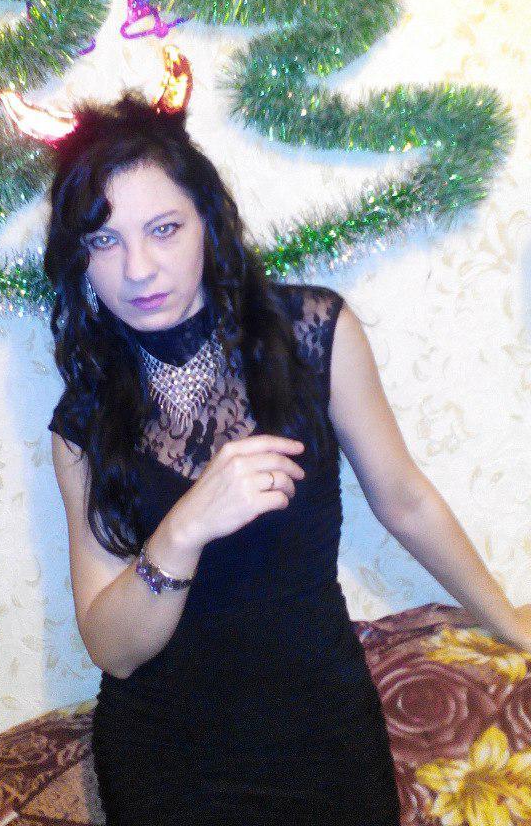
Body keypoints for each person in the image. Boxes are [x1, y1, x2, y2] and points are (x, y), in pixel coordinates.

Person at [45, 91, 530, 826]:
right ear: (79, 259)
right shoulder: (84, 422)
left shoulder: (311, 334)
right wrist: (183, 530)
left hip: (320, 732)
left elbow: (405, 500)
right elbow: (113, 650)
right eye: (104, 240)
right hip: (169, 757)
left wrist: (508, 621)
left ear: (208, 224)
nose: (138, 268)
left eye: (164, 229)